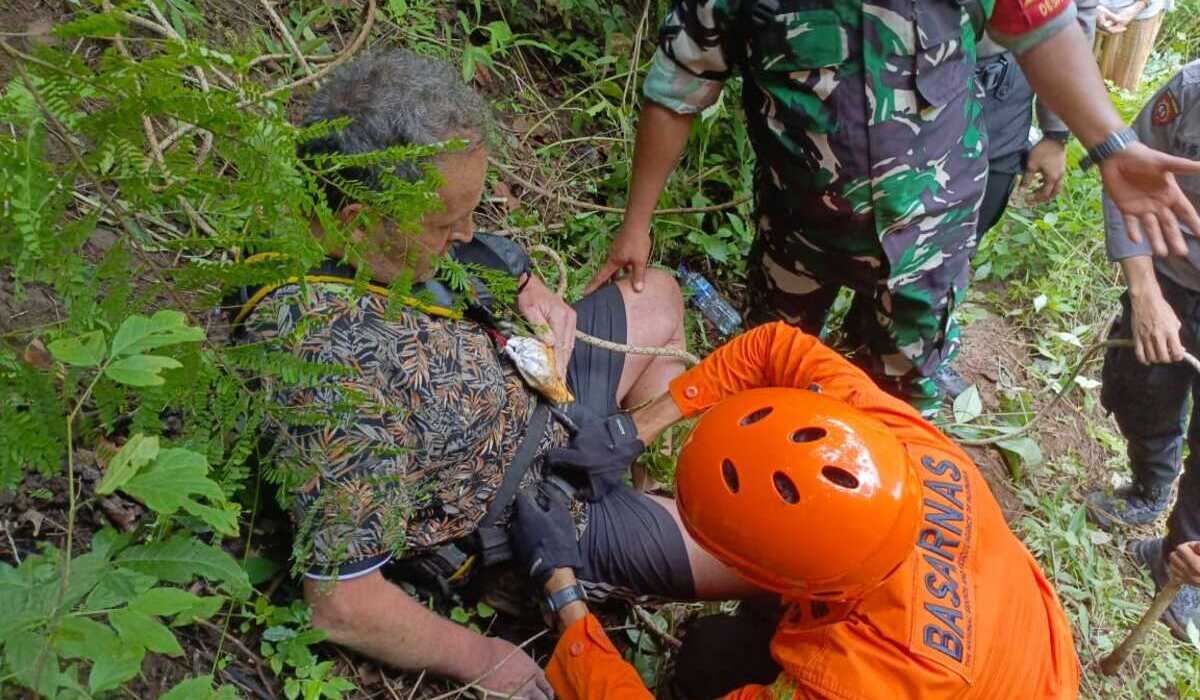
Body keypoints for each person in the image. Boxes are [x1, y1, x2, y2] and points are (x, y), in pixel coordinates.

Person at [238, 50, 760, 700]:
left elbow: (473, 255)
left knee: (654, 293)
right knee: (767, 544)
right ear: (359, 222)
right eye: (445, 223)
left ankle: (650, 486)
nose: (466, 233)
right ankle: (633, 530)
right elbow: (342, 602)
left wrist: (526, 283)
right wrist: (483, 657)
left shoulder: (355, 221)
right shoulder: (327, 370)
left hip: (548, 391)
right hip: (537, 506)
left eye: (470, 212)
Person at [585, 0, 1200, 416]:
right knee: (770, 386)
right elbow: (676, 91)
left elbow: (1040, 26)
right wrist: (636, 225)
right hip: (798, 238)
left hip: (932, 243)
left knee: (901, 404)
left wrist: (1111, 144)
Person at [512, 322, 1081, 699]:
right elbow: (774, 347)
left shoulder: (850, 679)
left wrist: (564, 597)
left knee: (706, 664)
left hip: (989, 679)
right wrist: (636, 426)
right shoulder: (898, 446)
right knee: (717, 652)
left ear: (787, 580)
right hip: (1012, 637)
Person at [1088, 60, 1200, 640]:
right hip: (1170, 282)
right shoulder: (1191, 90)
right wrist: (1146, 291)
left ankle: (1177, 560)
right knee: (1141, 393)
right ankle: (1150, 484)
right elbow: (1127, 174)